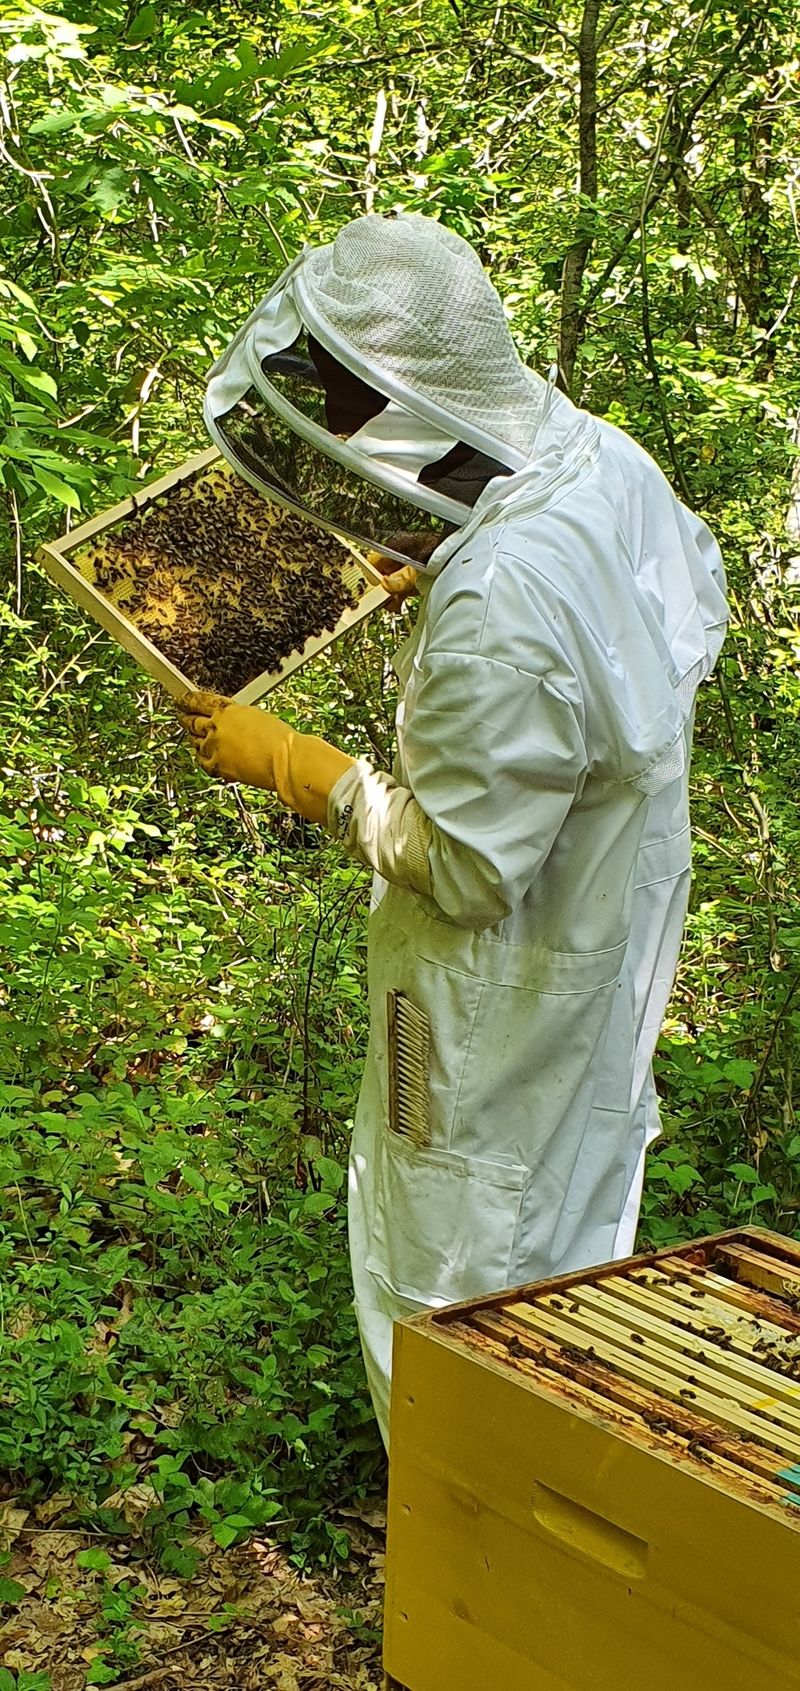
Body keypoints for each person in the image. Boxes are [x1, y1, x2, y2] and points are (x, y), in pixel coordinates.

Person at [180, 212, 728, 1447]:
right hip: (600, 960)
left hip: (485, 1010)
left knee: (453, 1282)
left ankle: (467, 1591)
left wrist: (305, 772)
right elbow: (661, 627)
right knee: (571, 1259)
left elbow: (472, 872)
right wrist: (446, 574)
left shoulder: (500, 603)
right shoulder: (594, 461)